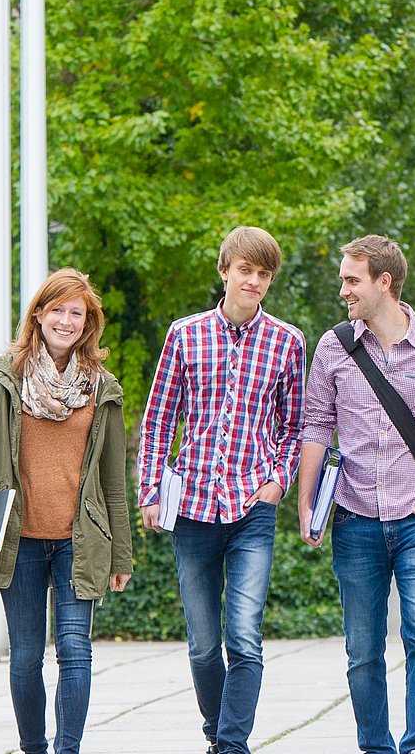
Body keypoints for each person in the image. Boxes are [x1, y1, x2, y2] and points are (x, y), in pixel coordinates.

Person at [137, 227, 306, 754]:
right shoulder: (184, 335)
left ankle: (231, 745)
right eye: (245, 270)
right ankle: (217, 733)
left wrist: (279, 480)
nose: (253, 281)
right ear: (224, 270)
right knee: (205, 645)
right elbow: (160, 418)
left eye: (263, 274)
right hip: (191, 507)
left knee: (245, 637)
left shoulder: (288, 341)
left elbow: (294, 426)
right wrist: (149, 490)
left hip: (252, 505)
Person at [297, 235, 415, 754]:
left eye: (352, 279)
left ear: (383, 283)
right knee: (363, 649)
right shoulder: (334, 346)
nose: (343, 289)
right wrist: (307, 505)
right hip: (354, 518)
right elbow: (316, 426)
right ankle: (375, 745)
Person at [0, 268, 133, 754]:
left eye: (76, 312)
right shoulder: (2, 376)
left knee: (76, 652)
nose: (66, 320)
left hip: (80, 539)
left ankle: (68, 749)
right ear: (38, 314)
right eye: (56, 309)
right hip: (20, 539)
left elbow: (113, 481)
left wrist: (122, 555)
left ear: (88, 322)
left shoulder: (104, 388)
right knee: (27, 658)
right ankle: (33, 747)